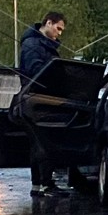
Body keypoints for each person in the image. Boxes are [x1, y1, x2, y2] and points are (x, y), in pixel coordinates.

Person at [19, 11, 66, 196]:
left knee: (38, 143)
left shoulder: (42, 45)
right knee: (44, 142)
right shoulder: (32, 45)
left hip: (40, 99)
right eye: (58, 28)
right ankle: (45, 184)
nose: (59, 33)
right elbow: (35, 71)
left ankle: (39, 185)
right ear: (48, 23)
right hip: (36, 100)